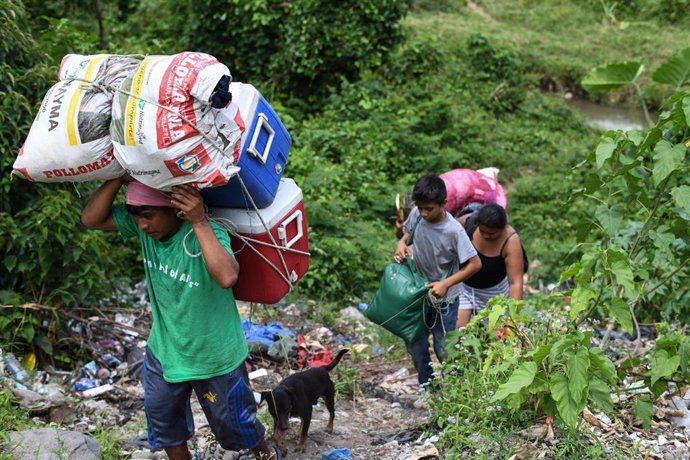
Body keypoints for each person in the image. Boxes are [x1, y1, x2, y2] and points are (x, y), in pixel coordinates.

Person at [80, 176, 280, 460]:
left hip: (215, 357)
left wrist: (198, 222)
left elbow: (227, 276)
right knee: (166, 427)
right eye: (136, 217)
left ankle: (268, 456)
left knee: (238, 428)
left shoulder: (205, 232)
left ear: (176, 210)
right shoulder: (145, 231)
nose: (142, 225)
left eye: (148, 216)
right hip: (164, 350)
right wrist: (117, 176)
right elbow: (91, 219)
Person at [394, 174, 481, 387]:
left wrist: (446, 283)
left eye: (429, 209)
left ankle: (457, 389)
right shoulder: (416, 215)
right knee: (415, 343)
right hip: (417, 293)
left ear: (443, 204)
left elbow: (475, 264)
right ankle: (428, 387)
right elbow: (405, 235)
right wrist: (401, 244)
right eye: (421, 207)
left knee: (444, 348)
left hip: (445, 300)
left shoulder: (453, 230)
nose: (424, 213)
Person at [455, 203, 526, 329]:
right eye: (482, 232)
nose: (486, 236)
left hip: (494, 293)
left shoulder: (510, 241)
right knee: (459, 330)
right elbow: (449, 228)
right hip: (464, 287)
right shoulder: (469, 222)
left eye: (492, 234)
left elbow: (516, 283)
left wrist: (511, 320)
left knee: (494, 334)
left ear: (503, 228)